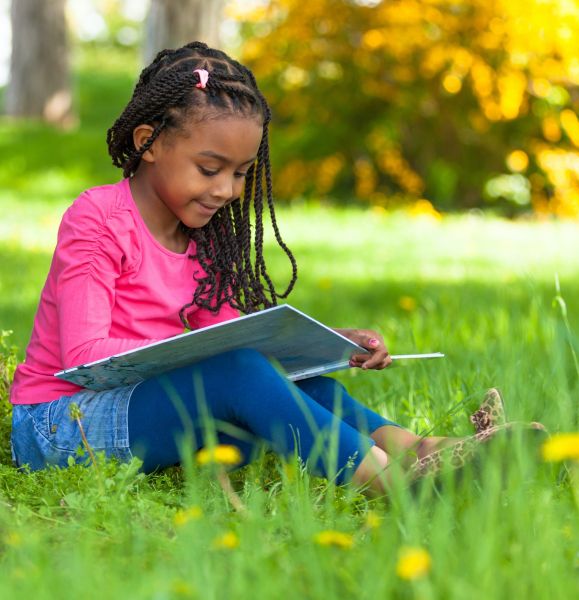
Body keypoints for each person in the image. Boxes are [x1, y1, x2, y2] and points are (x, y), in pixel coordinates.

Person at [9, 42, 539, 495]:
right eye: (209, 169)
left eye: (241, 173)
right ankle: (396, 485)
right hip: (62, 422)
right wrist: (219, 361)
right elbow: (83, 355)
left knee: (295, 383)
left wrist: (330, 342)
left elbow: (234, 339)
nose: (227, 191)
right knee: (238, 372)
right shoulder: (98, 218)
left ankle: (419, 448)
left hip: (152, 411)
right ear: (148, 142)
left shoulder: (206, 237)